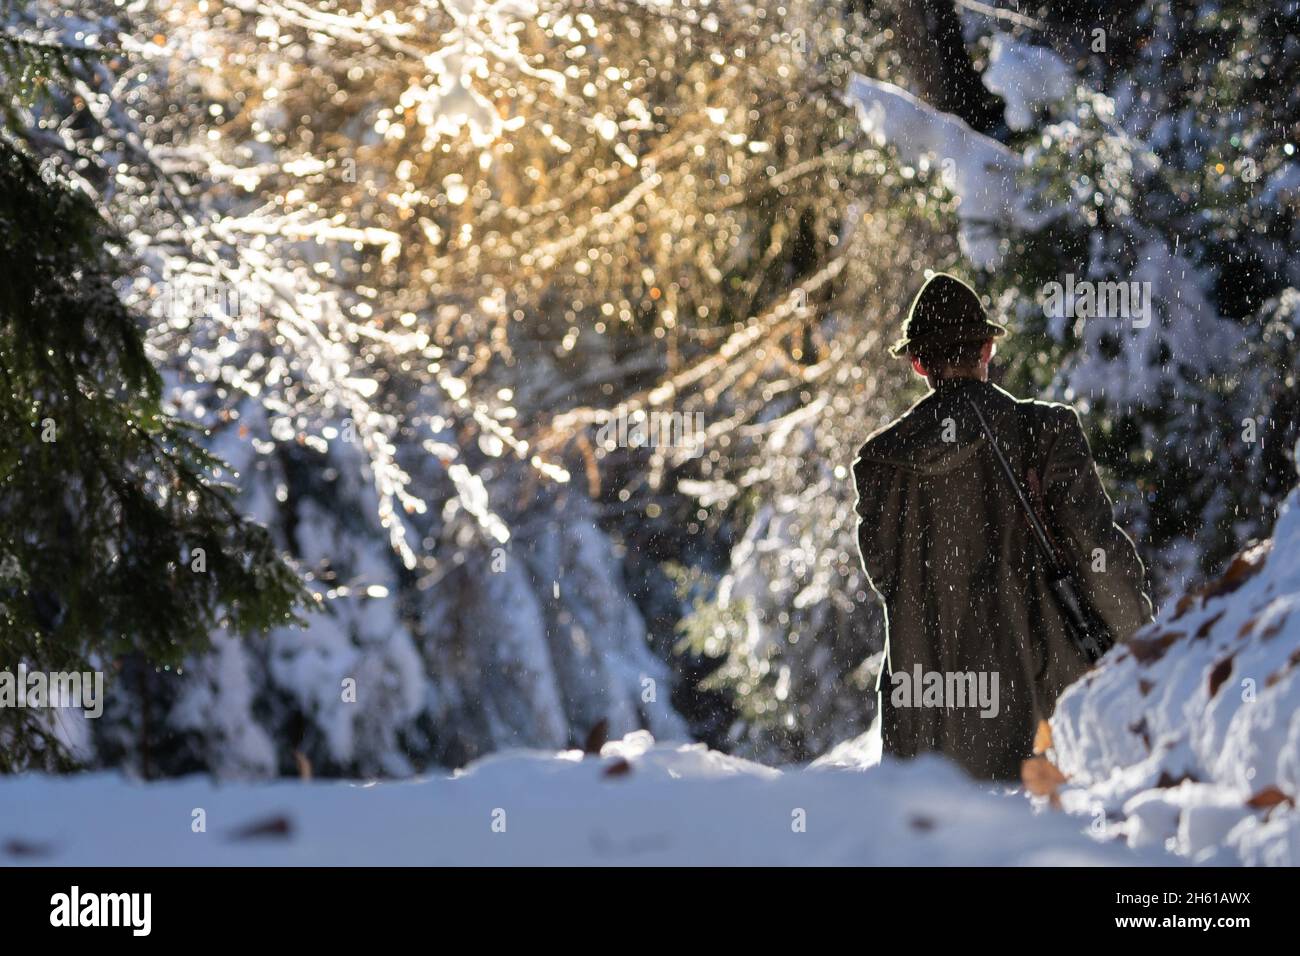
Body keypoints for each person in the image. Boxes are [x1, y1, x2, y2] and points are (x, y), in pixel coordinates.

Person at [852, 272, 1153, 780]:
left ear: (919, 362)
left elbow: (889, 581)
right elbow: (1097, 555)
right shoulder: (1045, 432)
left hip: (925, 741)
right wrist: (1146, 647)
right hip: (1038, 724)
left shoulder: (880, 462)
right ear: (987, 349)